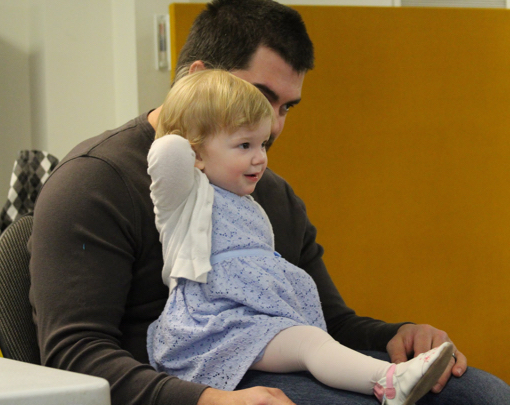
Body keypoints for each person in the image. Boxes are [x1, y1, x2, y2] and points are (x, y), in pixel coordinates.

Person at [28, 0, 509, 404]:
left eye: (286, 108)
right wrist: (209, 400)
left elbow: (330, 321)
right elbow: (74, 353)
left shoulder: (269, 193)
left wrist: (395, 336)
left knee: (485, 394)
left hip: (283, 356)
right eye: (261, 98)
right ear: (200, 80)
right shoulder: (94, 181)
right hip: (188, 380)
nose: (275, 126)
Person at [146, 68, 455, 405]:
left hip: (253, 319)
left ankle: (386, 378)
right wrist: (190, 117)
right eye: (244, 145)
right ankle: (387, 381)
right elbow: (167, 153)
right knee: (309, 343)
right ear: (196, 153)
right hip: (214, 326)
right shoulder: (183, 200)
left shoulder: (248, 204)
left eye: (263, 144)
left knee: (312, 343)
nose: (260, 157)